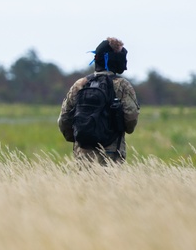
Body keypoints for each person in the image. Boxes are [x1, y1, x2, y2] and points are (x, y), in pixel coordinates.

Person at [57, 37, 140, 165]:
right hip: (112, 152)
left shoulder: (80, 84)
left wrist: (78, 138)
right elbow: (131, 119)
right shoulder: (122, 85)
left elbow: (64, 119)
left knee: (83, 184)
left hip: (82, 152)